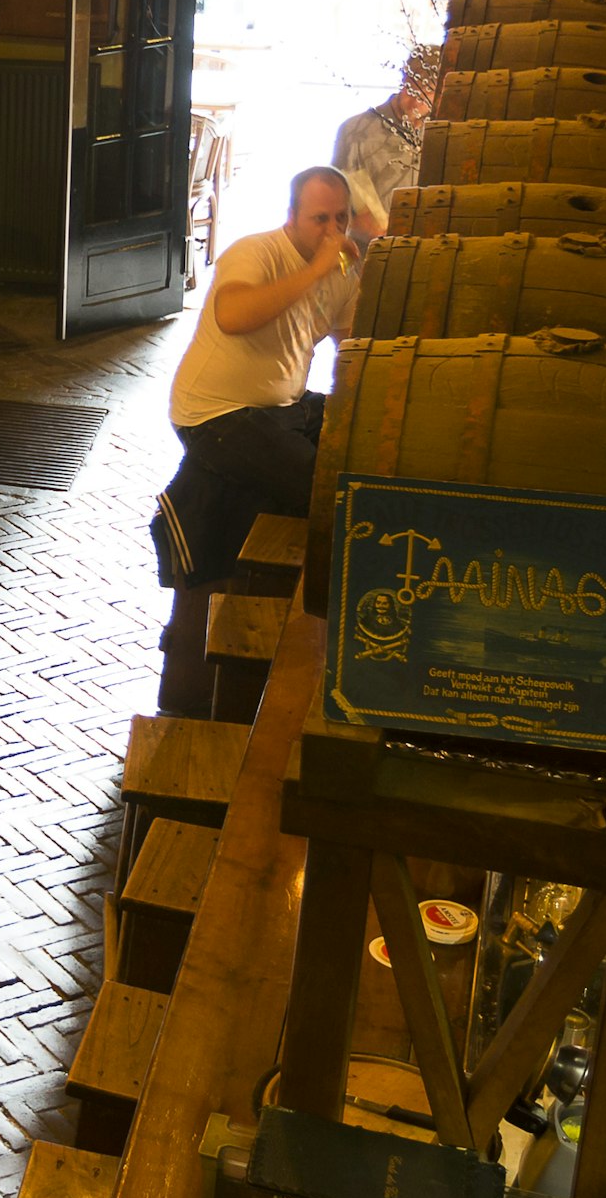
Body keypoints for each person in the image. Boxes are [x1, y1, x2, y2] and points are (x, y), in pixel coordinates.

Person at [155, 164, 376, 712]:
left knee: (356, 447)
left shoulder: (346, 269)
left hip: (281, 407)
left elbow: (346, 344)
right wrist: (318, 267)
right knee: (315, 484)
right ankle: (310, 622)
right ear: (292, 219)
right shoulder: (257, 252)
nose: (332, 229)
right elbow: (232, 316)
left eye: (341, 218)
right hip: (216, 412)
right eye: (319, 218)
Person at [332, 50, 438, 227]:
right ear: (403, 81)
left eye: (429, 92)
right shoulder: (355, 131)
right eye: (412, 90)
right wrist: (362, 221)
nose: (417, 102)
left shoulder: (441, 135)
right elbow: (335, 199)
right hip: (371, 250)